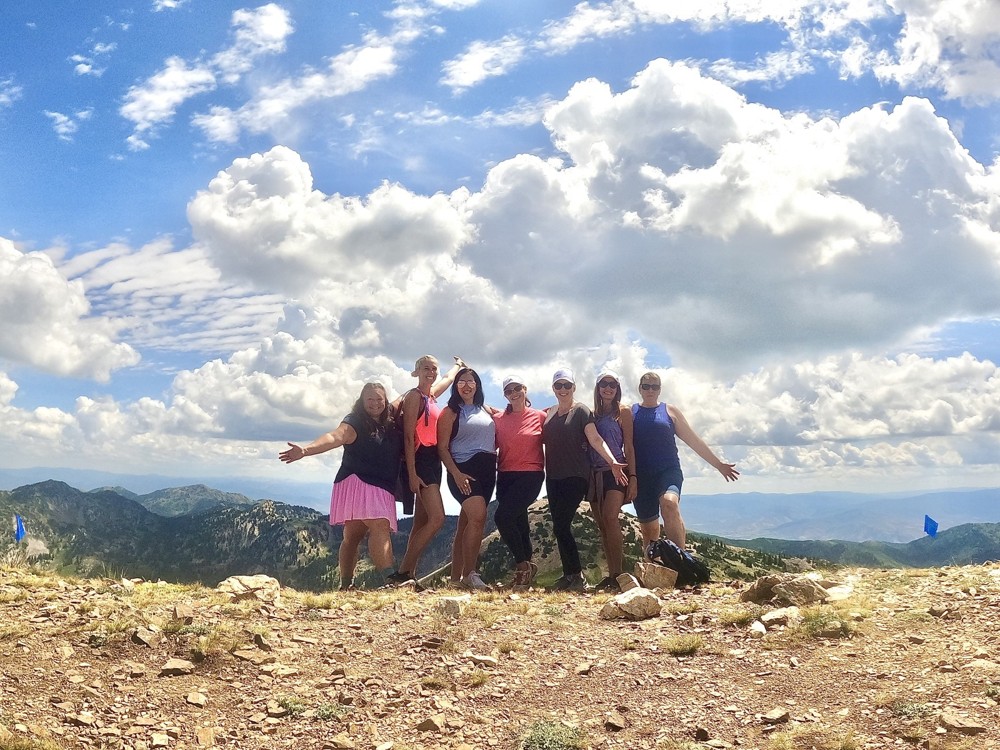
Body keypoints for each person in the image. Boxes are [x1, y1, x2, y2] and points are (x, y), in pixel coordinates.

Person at [279, 382, 401, 591]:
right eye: (369, 399)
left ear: (385, 400)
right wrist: (306, 450)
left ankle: (346, 586)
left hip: (370, 483)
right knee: (380, 525)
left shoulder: (389, 414)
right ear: (362, 402)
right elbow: (335, 436)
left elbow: (419, 393)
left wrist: (452, 372)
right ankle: (390, 579)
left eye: (379, 399)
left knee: (353, 534)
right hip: (359, 482)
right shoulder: (355, 422)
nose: (375, 403)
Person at [631, 370, 739, 551]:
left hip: (668, 471)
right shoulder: (630, 412)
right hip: (642, 477)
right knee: (649, 531)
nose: (650, 390)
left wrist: (718, 464)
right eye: (646, 386)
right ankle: (654, 572)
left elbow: (693, 440)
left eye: (654, 386)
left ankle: (682, 562)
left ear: (660, 390)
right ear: (640, 389)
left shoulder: (670, 411)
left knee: (669, 504)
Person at [542, 368, 627, 591]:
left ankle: (576, 576)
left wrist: (612, 462)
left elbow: (595, 438)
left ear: (574, 388)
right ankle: (570, 574)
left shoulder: (581, 411)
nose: (563, 389)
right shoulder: (549, 413)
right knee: (560, 527)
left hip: (576, 475)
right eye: (558, 385)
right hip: (552, 477)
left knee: (561, 524)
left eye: (567, 385)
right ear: (553, 388)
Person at [386, 354, 465, 585]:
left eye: (434, 369)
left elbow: (449, 379)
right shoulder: (414, 397)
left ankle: (409, 575)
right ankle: (402, 573)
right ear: (416, 371)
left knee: (421, 521)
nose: (431, 372)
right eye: (426, 368)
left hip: (433, 460)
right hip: (420, 460)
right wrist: (412, 473)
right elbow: (409, 438)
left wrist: (458, 366)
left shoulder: (430, 396)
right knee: (437, 518)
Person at [437, 367, 497, 591]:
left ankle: (455, 579)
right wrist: (456, 473)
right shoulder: (450, 412)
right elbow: (442, 448)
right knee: (479, 516)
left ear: (478, 385)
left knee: (465, 524)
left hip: (488, 472)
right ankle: (470, 574)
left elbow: (511, 415)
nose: (467, 385)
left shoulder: (486, 410)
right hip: (463, 471)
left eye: (471, 381)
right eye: (462, 382)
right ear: (456, 386)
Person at [492, 374, 546, 589]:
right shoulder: (498, 419)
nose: (513, 393)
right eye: (508, 391)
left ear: (525, 389)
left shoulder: (540, 417)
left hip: (531, 475)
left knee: (502, 517)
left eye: (517, 388)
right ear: (505, 395)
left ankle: (522, 566)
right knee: (519, 523)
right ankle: (527, 574)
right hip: (505, 475)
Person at [588, 370, 637, 592]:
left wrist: (633, 477)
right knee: (602, 525)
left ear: (617, 389)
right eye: (604, 384)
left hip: (617, 472)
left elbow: (629, 445)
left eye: (613, 385)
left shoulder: (623, 412)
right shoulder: (591, 414)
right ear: (598, 388)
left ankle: (618, 573)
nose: (608, 388)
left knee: (610, 518)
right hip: (595, 472)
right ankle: (611, 575)